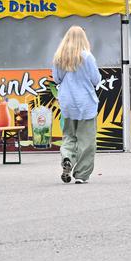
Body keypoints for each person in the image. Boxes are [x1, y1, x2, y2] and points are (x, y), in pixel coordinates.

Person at [52, 26, 100, 184]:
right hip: (85, 103)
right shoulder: (87, 57)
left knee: (69, 136)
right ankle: (81, 174)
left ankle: (67, 159)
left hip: (67, 102)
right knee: (86, 140)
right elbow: (96, 79)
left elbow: (57, 79)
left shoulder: (60, 56)